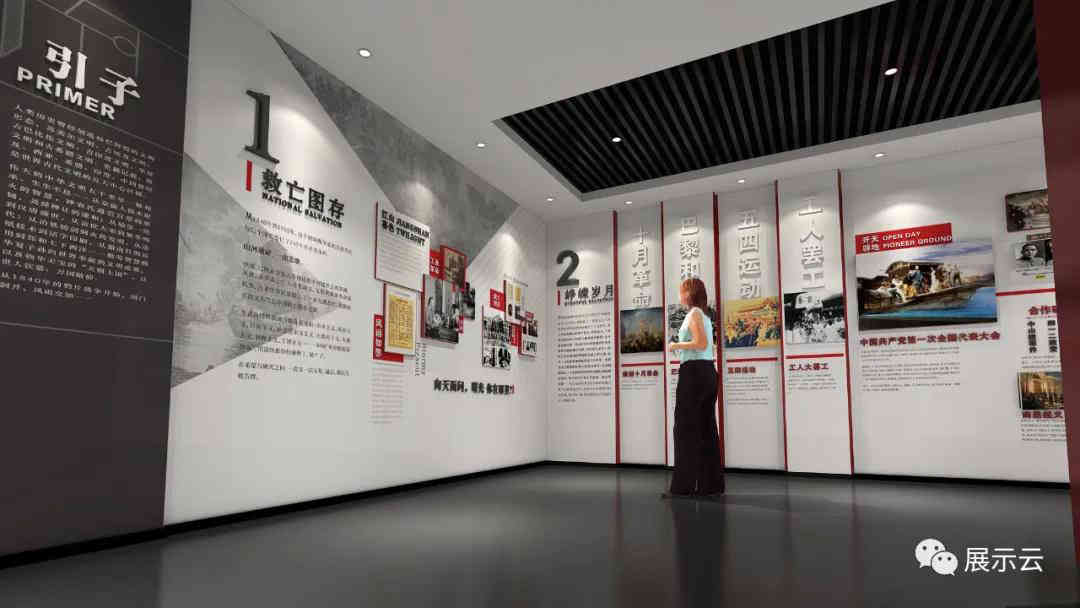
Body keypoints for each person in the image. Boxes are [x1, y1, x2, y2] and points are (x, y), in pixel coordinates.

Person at [664, 278, 724, 498]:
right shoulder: (704, 316)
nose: (680, 295)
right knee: (706, 429)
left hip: (694, 374)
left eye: (682, 291)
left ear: (689, 294)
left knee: (685, 430)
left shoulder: (694, 314)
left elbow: (700, 344)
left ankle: (683, 487)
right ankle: (711, 485)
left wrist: (675, 345)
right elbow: (706, 346)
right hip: (706, 372)